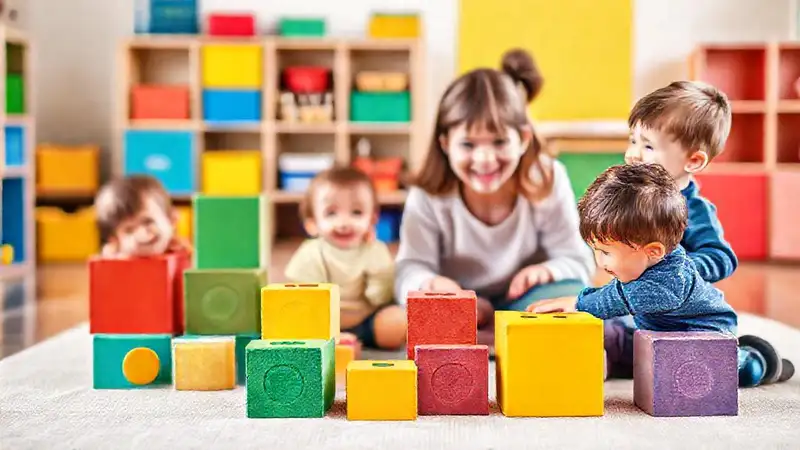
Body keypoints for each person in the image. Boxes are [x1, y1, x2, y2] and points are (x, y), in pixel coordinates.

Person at [394, 48, 595, 343]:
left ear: (523, 139)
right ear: (445, 143)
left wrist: (546, 271)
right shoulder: (428, 194)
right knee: (398, 321)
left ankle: (493, 336)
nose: (485, 159)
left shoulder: (547, 177)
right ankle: (490, 335)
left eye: (500, 141)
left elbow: (578, 262)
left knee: (579, 302)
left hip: (525, 303)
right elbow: (408, 269)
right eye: (468, 145)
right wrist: (432, 283)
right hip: (461, 307)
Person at [529, 163, 794, 387]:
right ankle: (615, 355)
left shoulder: (670, 279)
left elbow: (619, 299)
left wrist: (579, 303)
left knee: (706, 373)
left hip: (702, 334)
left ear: (653, 250)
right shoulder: (642, 261)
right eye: (595, 250)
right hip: (656, 330)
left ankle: (755, 358)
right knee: (618, 333)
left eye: (606, 252)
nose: (599, 261)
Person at [625, 80, 737, 284]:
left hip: (680, 311)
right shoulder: (633, 197)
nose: (633, 155)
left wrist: (675, 270)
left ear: (693, 161)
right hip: (641, 302)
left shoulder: (692, 210)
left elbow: (721, 258)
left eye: (648, 147)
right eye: (633, 141)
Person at [284, 166, 406, 350]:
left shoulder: (376, 250)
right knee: (290, 318)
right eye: (331, 213)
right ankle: (337, 342)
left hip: (367, 321)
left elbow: (380, 298)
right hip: (322, 325)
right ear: (312, 223)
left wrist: (379, 276)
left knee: (399, 319)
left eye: (356, 212)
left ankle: (351, 342)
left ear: (372, 219)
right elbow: (302, 299)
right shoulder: (311, 252)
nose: (344, 223)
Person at [95, 174, 192, 259]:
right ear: (116, 240)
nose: (141, 234)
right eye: (129, 230)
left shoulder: (184, 251)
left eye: (148, 222)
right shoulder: (115, 257)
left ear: (172, 219)